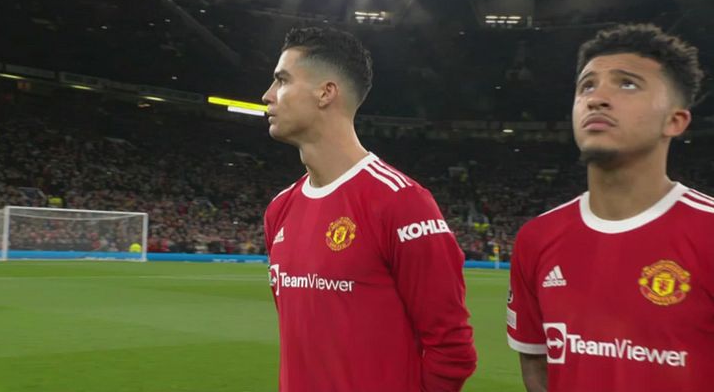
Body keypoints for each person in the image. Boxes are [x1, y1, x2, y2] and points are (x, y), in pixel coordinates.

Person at [262, 27, 477, 392]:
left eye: (282, 80)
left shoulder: (401, 202)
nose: (267, 95)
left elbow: (452, 350)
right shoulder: (279, 210)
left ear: (326, 93)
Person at [507, 23, 712, 392]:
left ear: (675, 121)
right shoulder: (536, 238)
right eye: (587, 86)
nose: (597, 98)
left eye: (627, 84)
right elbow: (536, 361)